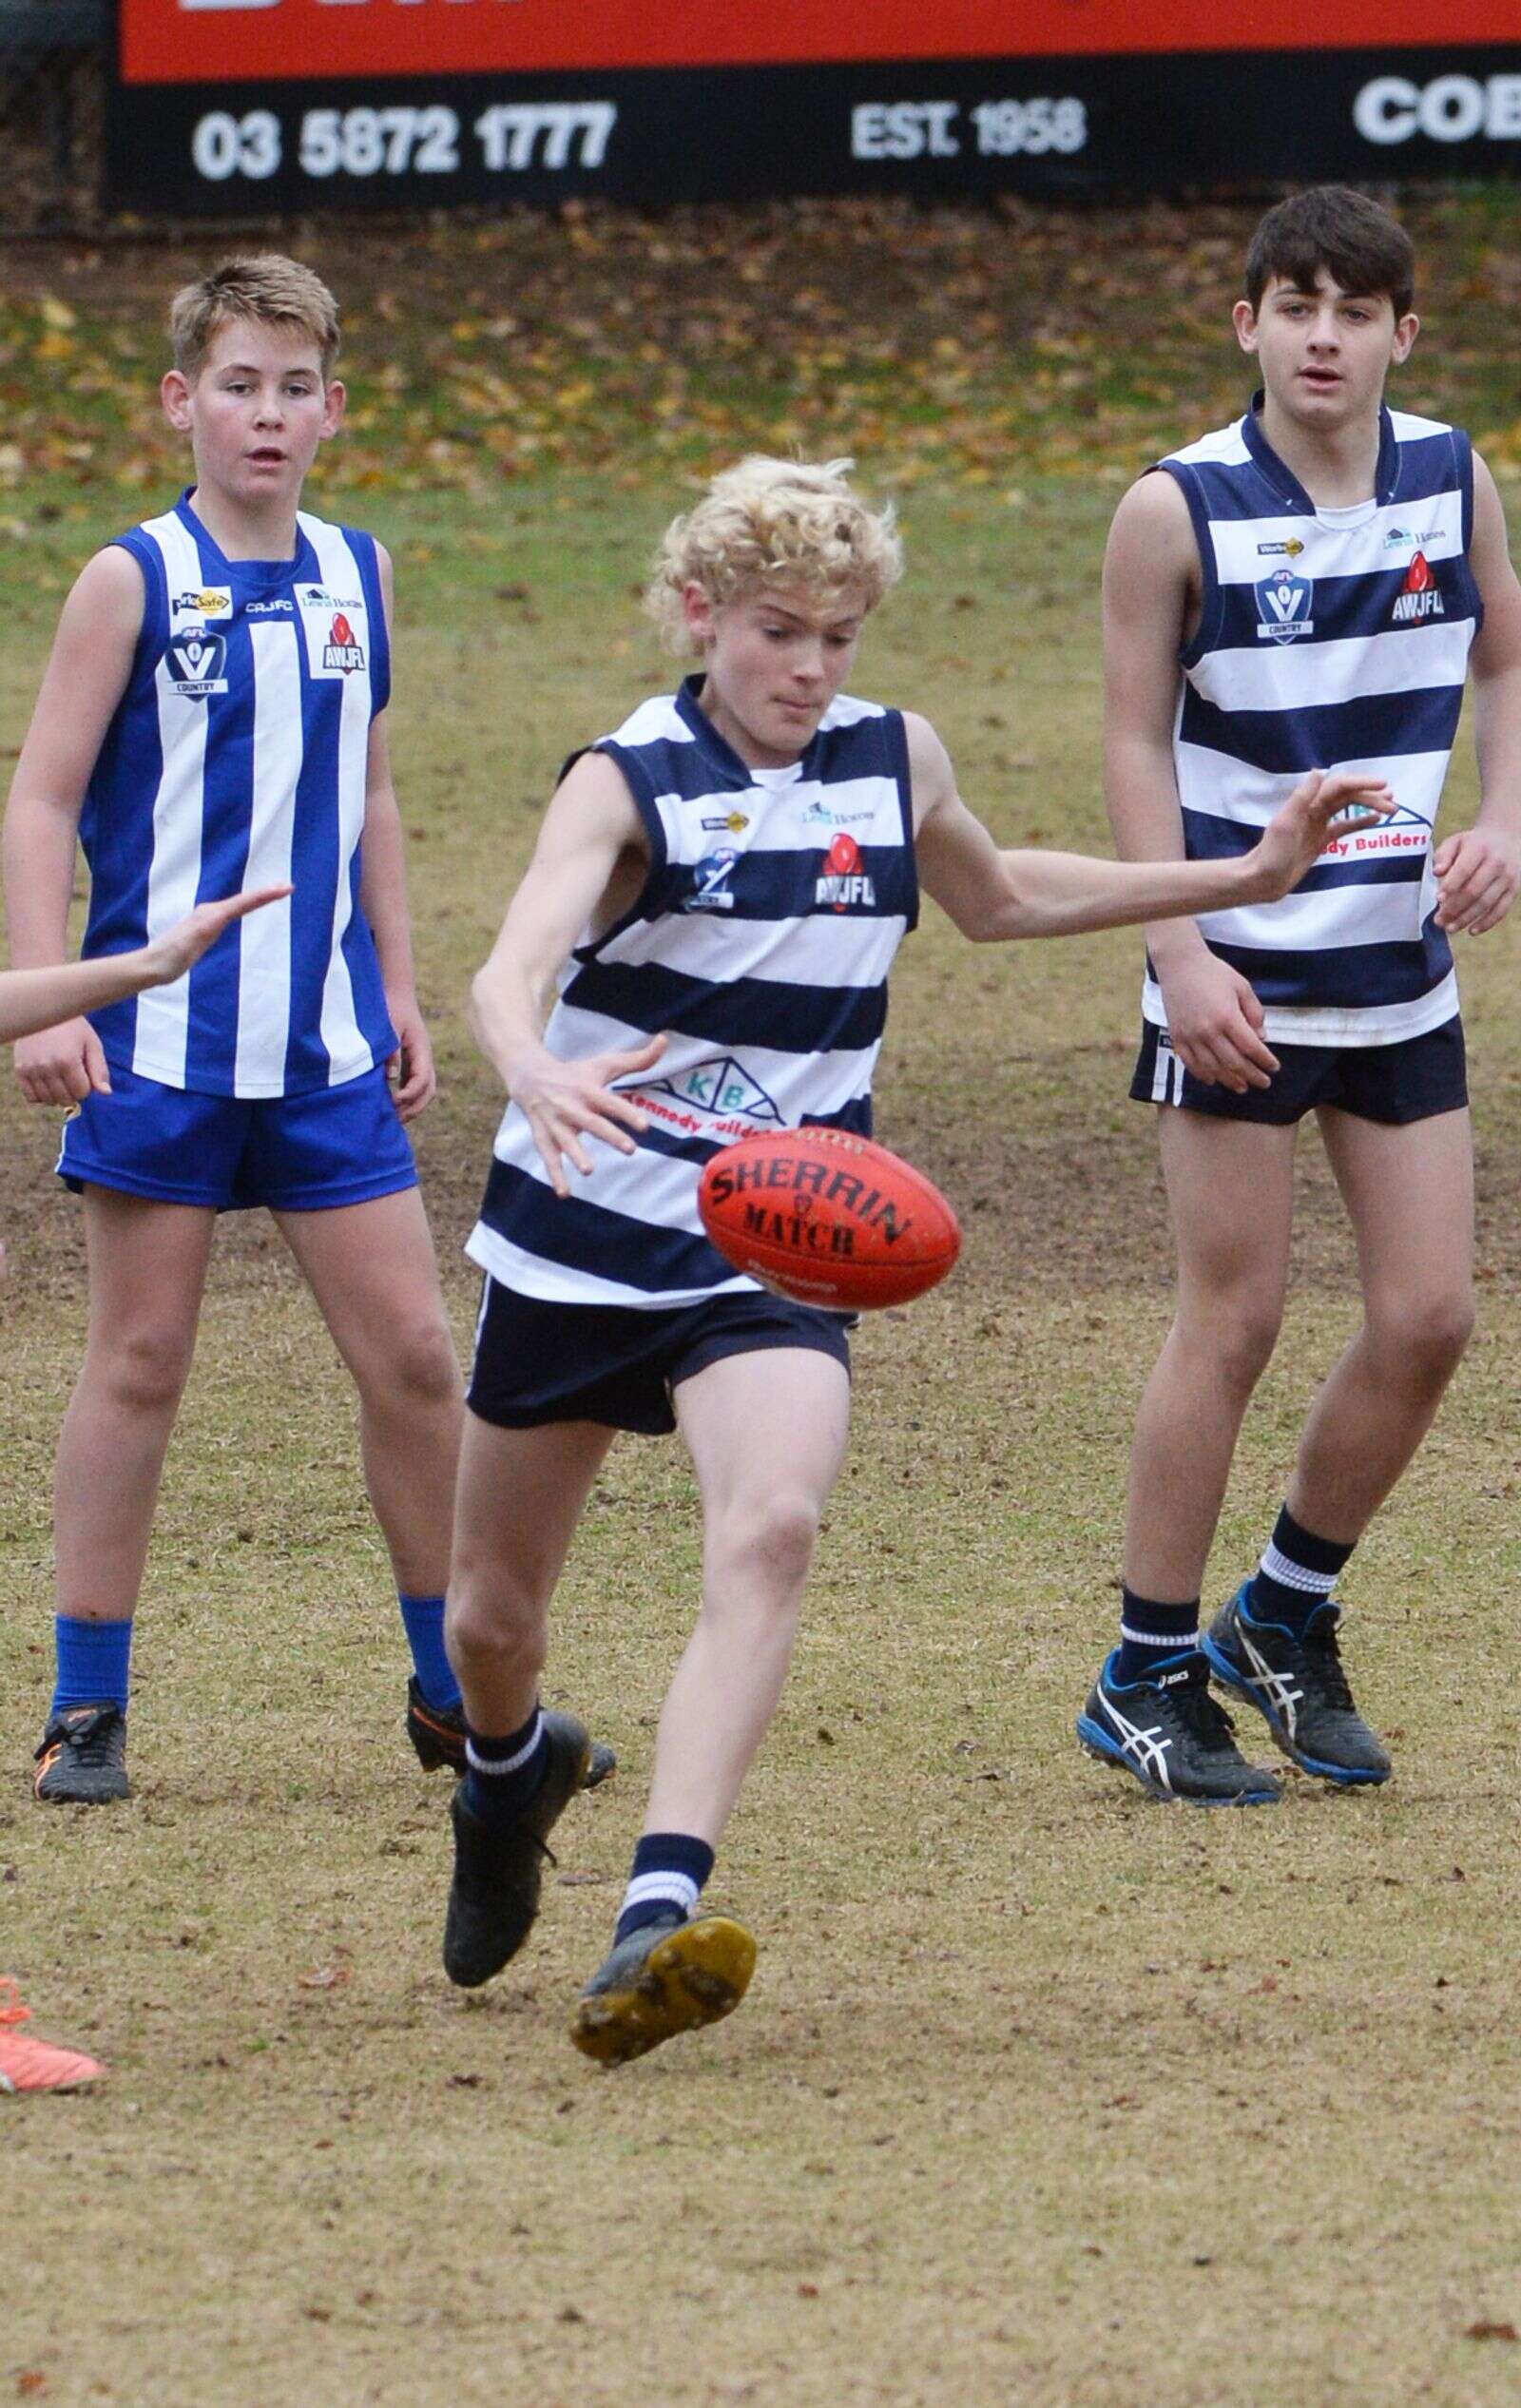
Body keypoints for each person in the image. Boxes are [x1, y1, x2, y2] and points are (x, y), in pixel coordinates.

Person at [440, 453, 1390, 2064]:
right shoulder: (629, 777)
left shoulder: (893, 759)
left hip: (777, 1243)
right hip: (582, 1230)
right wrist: (531, 1066)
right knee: (487, 1623)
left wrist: (1238, 879)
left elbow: (1004, 893)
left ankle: (654, 1908)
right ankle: (508, 1767)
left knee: (777, 1524)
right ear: (698, 611)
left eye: (839, 634)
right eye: (776, 631)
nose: (810, 668)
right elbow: (510, 962)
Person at [6, 257, 486, 1803]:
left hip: (329, 1048)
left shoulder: (363, 573)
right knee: (140, 1358)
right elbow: (42, 797)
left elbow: (374, 798)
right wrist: (45, 996)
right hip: (156, 1049)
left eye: (294, 388)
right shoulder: (129, 579)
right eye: (237, 384)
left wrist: (400, 983)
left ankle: (458, 1689)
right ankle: (88, 1707)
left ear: (333, 410)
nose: (265, 414)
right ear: (181, 402)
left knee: (417, 1355)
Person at [1079, 186, 1521, 1805]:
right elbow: (1132, 739)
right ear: (1245, 321)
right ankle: (1144, 1668)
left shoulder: (1451, 474)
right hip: (1237, 976)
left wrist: (1502, 821)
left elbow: (1507, 662)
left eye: (1355, 309)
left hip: (1397, 964)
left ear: (1405, 332)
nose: (1321, 335)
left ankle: (1286, 1612)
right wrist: (1177, 952)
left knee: (1430, 1315)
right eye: (1294, 305)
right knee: (1238, 1315)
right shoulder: (1173, 507)